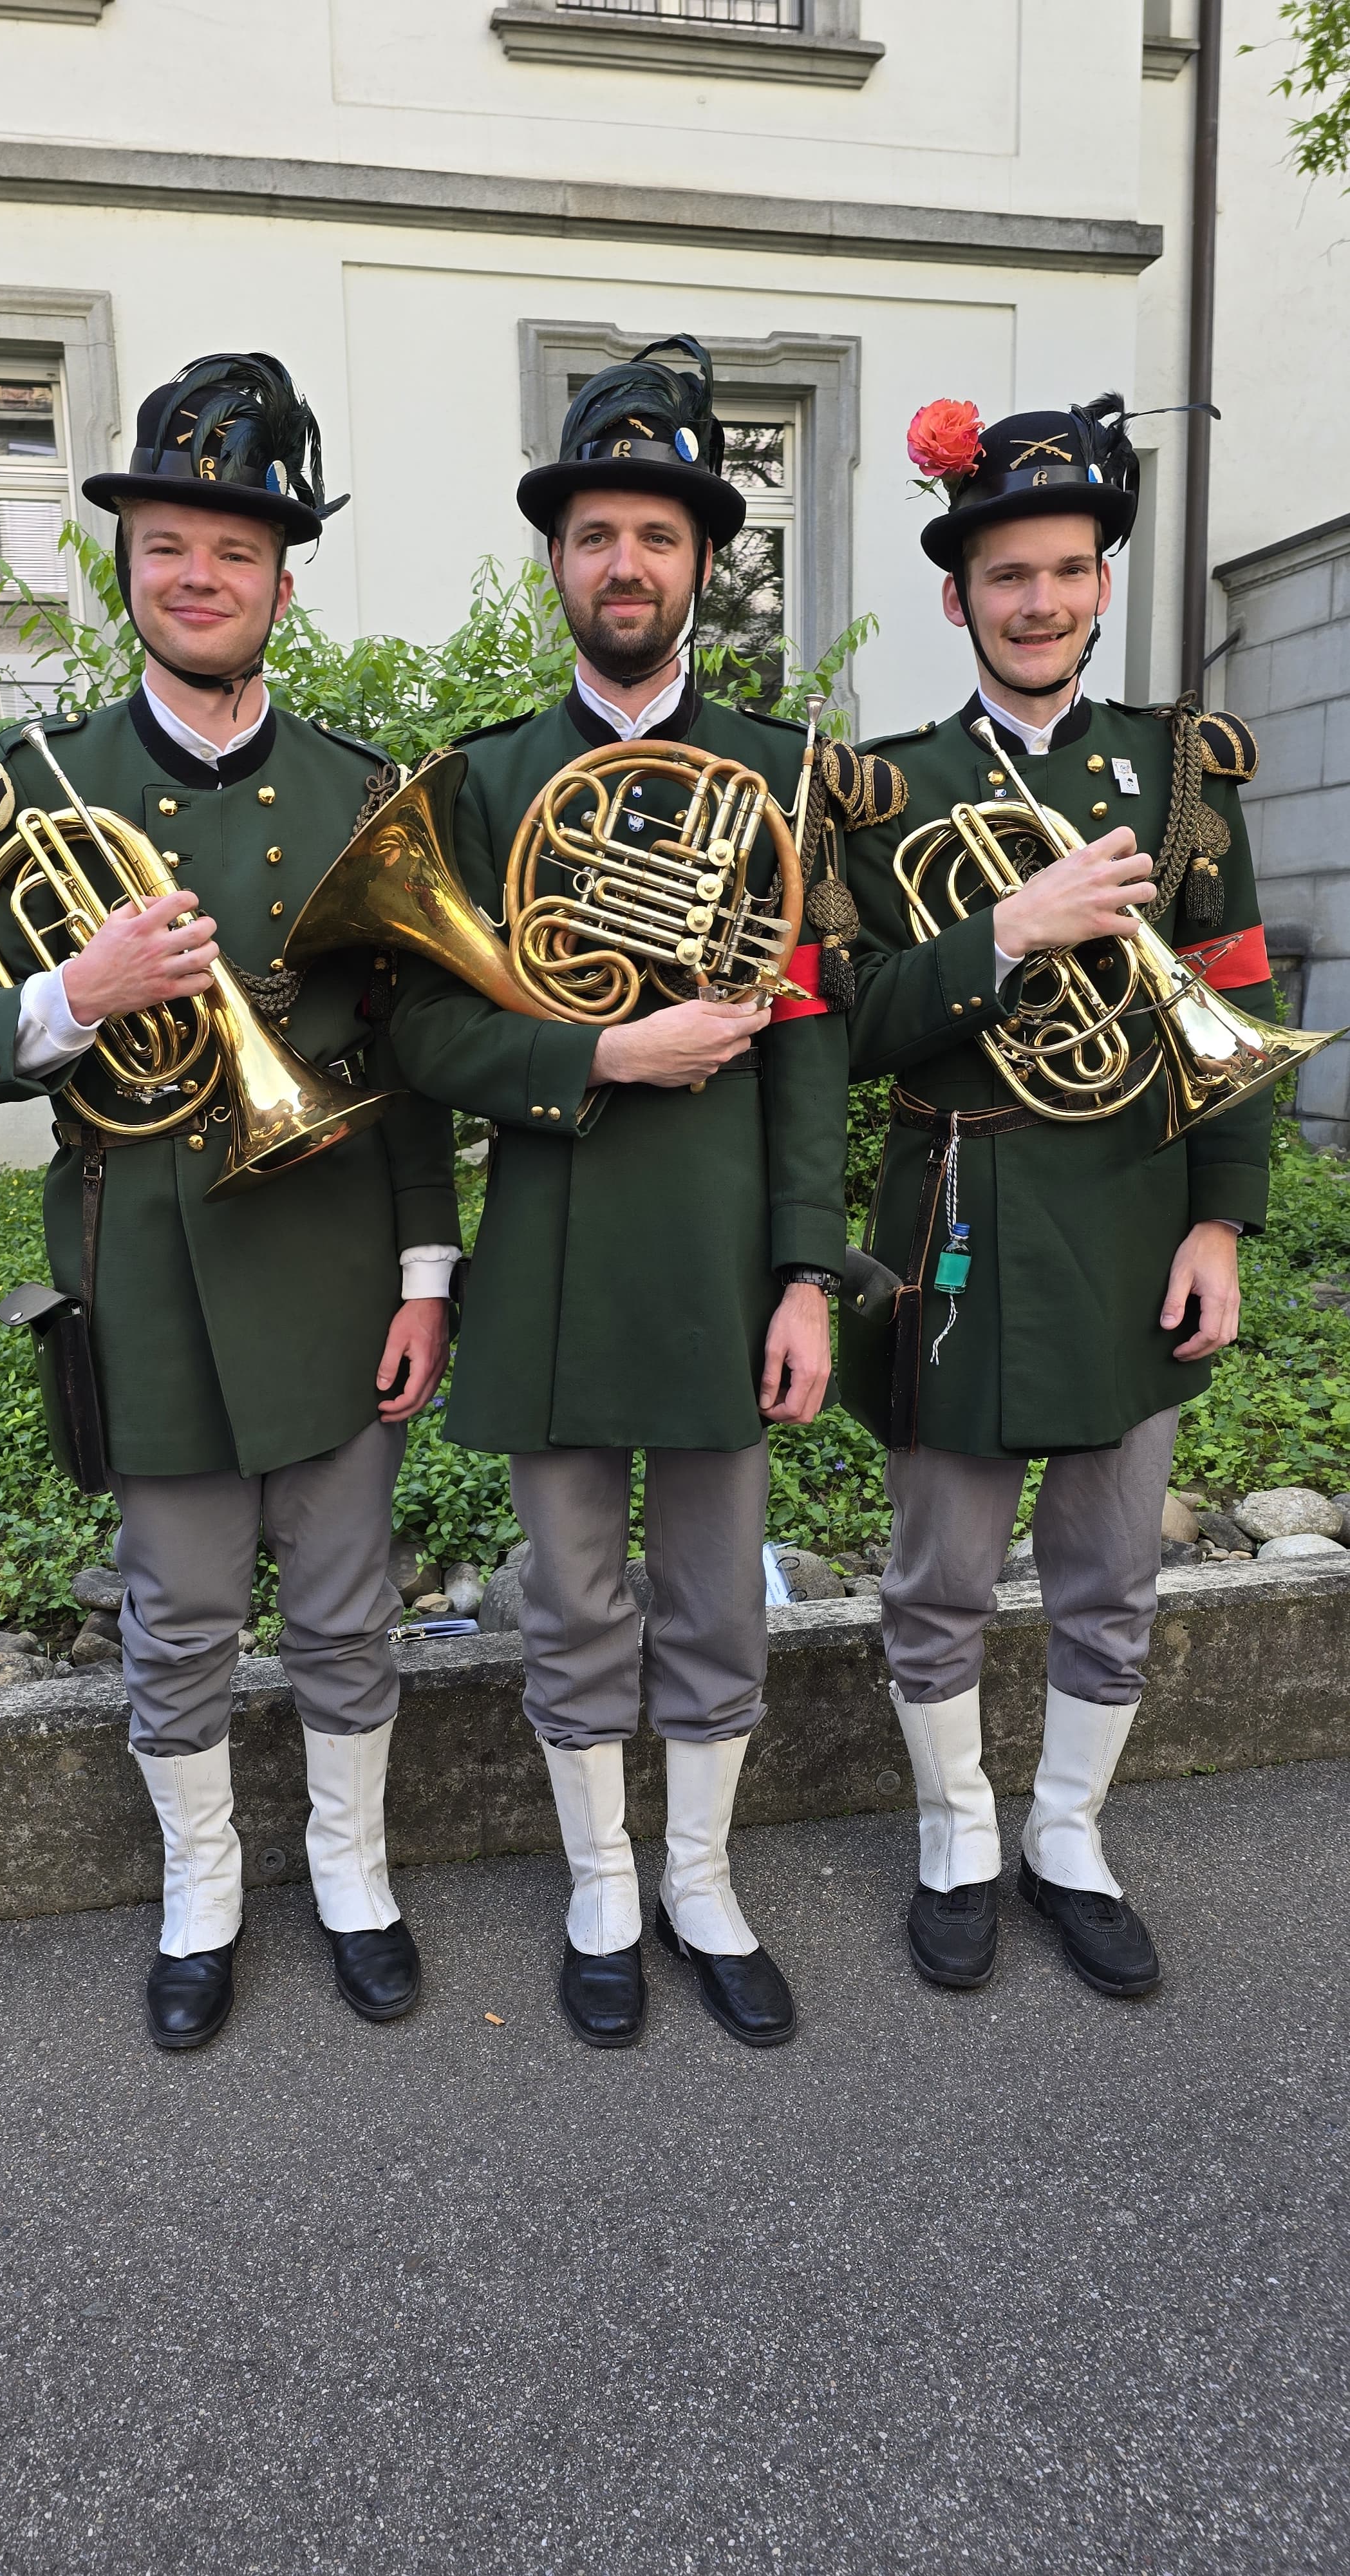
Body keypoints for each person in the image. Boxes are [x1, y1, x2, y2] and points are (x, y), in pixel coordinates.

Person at [0, 352, 460, 2050]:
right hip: (145, 1267)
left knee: (349, 1612)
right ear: (129, 567)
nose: (198, 574)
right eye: (167, 544)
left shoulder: (362, 788)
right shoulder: (41, 782)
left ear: (284, 583)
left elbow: (406, 1054)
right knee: (181, 1620)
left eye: (234, 548)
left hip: (338, 1255)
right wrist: (73, 993)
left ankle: (354, 1877)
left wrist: (427, 1272)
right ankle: (201, 1893)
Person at [388, 337, 858, 2050]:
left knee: (719, 1593)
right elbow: (422, 1030)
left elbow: (807, 1047)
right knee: (575, 1593)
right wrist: (599, 1051)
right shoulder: (484, 779)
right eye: (594, 534)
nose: (625, 563)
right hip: (557, 1246)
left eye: (657, 534)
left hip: (724, 1250)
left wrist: (805, 1271)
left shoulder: (783, 772)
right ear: (556, 563)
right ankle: (603, 1884)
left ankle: (702, 1880)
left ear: (704, 562)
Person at [841, 393, 1273, 1998]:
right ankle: (957, 1834)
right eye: (1006, 573)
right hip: (953, 1212)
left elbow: (1232, 1002)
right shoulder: (885, 792)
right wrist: (1008, 931)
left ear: (1102, 583)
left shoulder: (1177, 773)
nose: (1038, 600)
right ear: (957, 594)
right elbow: (851, 1026)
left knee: (1110, 1574)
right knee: (938, 1574)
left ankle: (1069, 1837)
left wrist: (1220, 1219)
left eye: (1067, 570)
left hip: (1130, 1214)